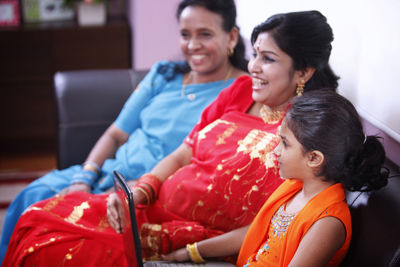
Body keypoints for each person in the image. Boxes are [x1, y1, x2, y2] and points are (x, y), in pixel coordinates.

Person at [2, 10, 339, 266]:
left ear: (304, 71)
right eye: (254, 55)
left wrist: (187, 252)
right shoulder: (238, 93)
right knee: (36, 215)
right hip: (146, 206)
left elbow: (270, 223)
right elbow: (183, 153)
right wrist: (139, 191)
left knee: (48, 247)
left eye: (268, 59)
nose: (253, 67)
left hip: (183, 234)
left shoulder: (305, 135)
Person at [0, 0, 249, 263]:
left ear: (231, 36)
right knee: (32, 196)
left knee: (49, 228)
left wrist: (133, 191)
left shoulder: (241, 93)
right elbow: (116, 134)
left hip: (149, 194)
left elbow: (208, 169)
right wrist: (83, 179)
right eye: (185, 34)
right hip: (107, 174)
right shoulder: (163, 75)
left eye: (205, 34)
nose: (192, 45)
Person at [237, 90, 389, 266]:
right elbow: (256, 234)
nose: (275, 150)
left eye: (285, 143)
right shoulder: (294, 188)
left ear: (314, 158)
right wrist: (196, 251)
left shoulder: (327, 222)